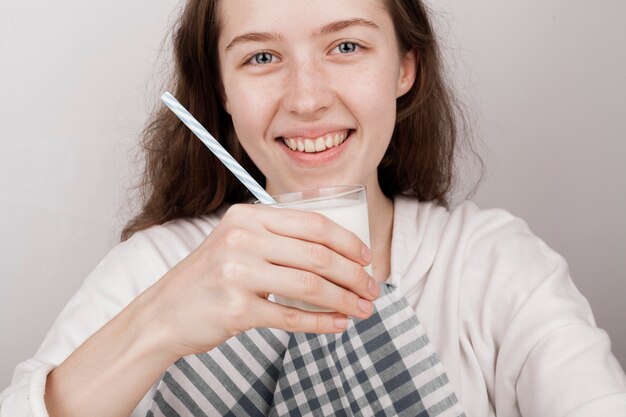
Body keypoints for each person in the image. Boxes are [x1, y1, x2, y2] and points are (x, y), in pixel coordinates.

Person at [1, 0, 625, 416]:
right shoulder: (157, 268)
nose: (306, 99)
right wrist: (159, 322)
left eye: (346, 47)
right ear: (222, 89)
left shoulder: (492, 266)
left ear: (406, 66)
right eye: (262, 57)